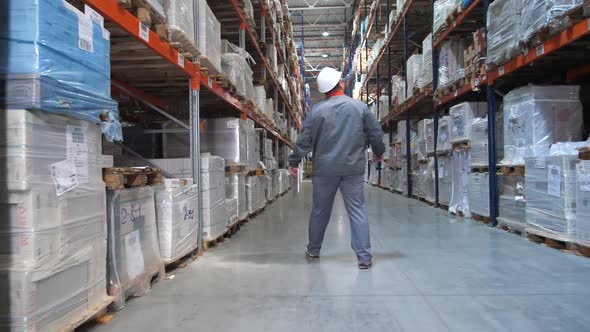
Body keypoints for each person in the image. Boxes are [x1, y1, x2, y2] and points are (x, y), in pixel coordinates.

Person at [288, 67, 385, 269]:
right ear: (340, 84)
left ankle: (313, 250)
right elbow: (375, 133)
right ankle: (364, 257)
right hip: (353, 169)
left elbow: (305, 139)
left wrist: (294, 161)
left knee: (319, 210)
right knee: (358, 210)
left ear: (324, 91)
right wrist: (378, 151)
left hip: (324, 170)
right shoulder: (359, 108)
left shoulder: (316, 111)